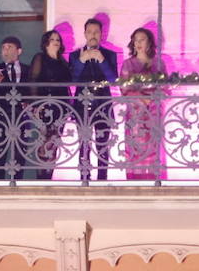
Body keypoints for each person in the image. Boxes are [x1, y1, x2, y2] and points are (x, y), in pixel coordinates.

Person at [69, 17, 118, 181]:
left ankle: (102, 179)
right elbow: (72, 81)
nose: (93, 35)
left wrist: (102, 60)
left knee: (103, 144)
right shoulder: (75, 55)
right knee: (84, 144)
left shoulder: (110, 54)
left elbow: (113, 80)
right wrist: (81, 61)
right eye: (89, 32)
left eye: (96, 32)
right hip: (82, 106)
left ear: (101, 34)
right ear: (84, 34)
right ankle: (85, 178)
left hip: (103, 105)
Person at [120, 27, 165, 180]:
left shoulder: (158, 63)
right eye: (136, 40)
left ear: (149, 43)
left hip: (153, 113)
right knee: (135, 147)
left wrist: (151, 98)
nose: (138, 43)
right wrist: (141, 97)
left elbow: (165, 87)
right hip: (135, 114)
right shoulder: (128, 64)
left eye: (142, 39)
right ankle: (133, 182)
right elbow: (124, 89)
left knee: (152, 146)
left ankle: (153, 180)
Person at [28, 29, 72, 180]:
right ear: (46, 42)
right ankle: (41, 177)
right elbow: (33, 80)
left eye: (58, 39)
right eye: (53, 38)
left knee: (55, 140)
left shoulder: (63, 62)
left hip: (61, 106)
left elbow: (69, 82)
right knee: (44, 139)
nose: (56, 41)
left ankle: (50, 175)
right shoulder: (40, 58)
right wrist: (35, 104)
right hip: (45, 104)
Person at [0, 35, 28, 180]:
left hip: (21, 118)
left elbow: (33, 90)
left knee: (20, 154)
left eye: (9, 47)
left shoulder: (29, 69)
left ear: (19, 51)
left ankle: (18, 183)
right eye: (3, 47)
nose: (5, 50)